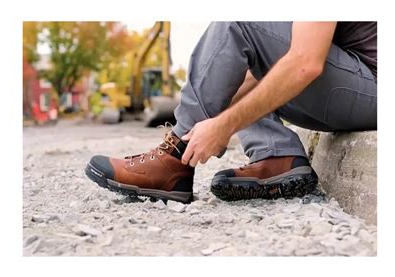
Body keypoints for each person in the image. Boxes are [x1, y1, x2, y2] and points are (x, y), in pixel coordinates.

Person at [85, 22, 377, 204]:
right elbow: (263, 65)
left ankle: (171, 162)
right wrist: (211, 116)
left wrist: (223, 126)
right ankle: (277, 156)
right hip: (357, 84)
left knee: (239, 20)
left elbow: (305, 63)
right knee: (242, 60)